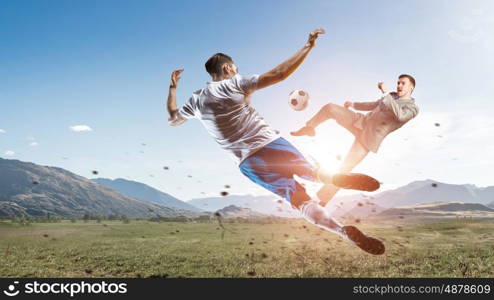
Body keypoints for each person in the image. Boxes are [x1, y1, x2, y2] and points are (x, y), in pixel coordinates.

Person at [166, 29, 384, 255]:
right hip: (270, 143)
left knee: (299, 200)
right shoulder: (234, 83)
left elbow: (173, 119)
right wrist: (308, 46)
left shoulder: (195, 100)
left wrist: (173, 88)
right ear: (227, 69)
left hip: (247, 163)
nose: (237, 71)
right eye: (236, 69)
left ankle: (342, 231)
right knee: (312, 171)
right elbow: (279, 74)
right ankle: (333, 178)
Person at [291, 75, 419, 206]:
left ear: (411, 87)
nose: (399, 86)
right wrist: (353, 105)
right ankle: (309, 127)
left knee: (344, 171)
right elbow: (373, 105)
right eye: (398, 83)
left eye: (403, 83)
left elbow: (400, 116)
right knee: (330, 108)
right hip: (360, 121)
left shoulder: (412, 109)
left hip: (369, 138)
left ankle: (321, 200)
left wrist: (385, 93)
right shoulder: (391, 96)